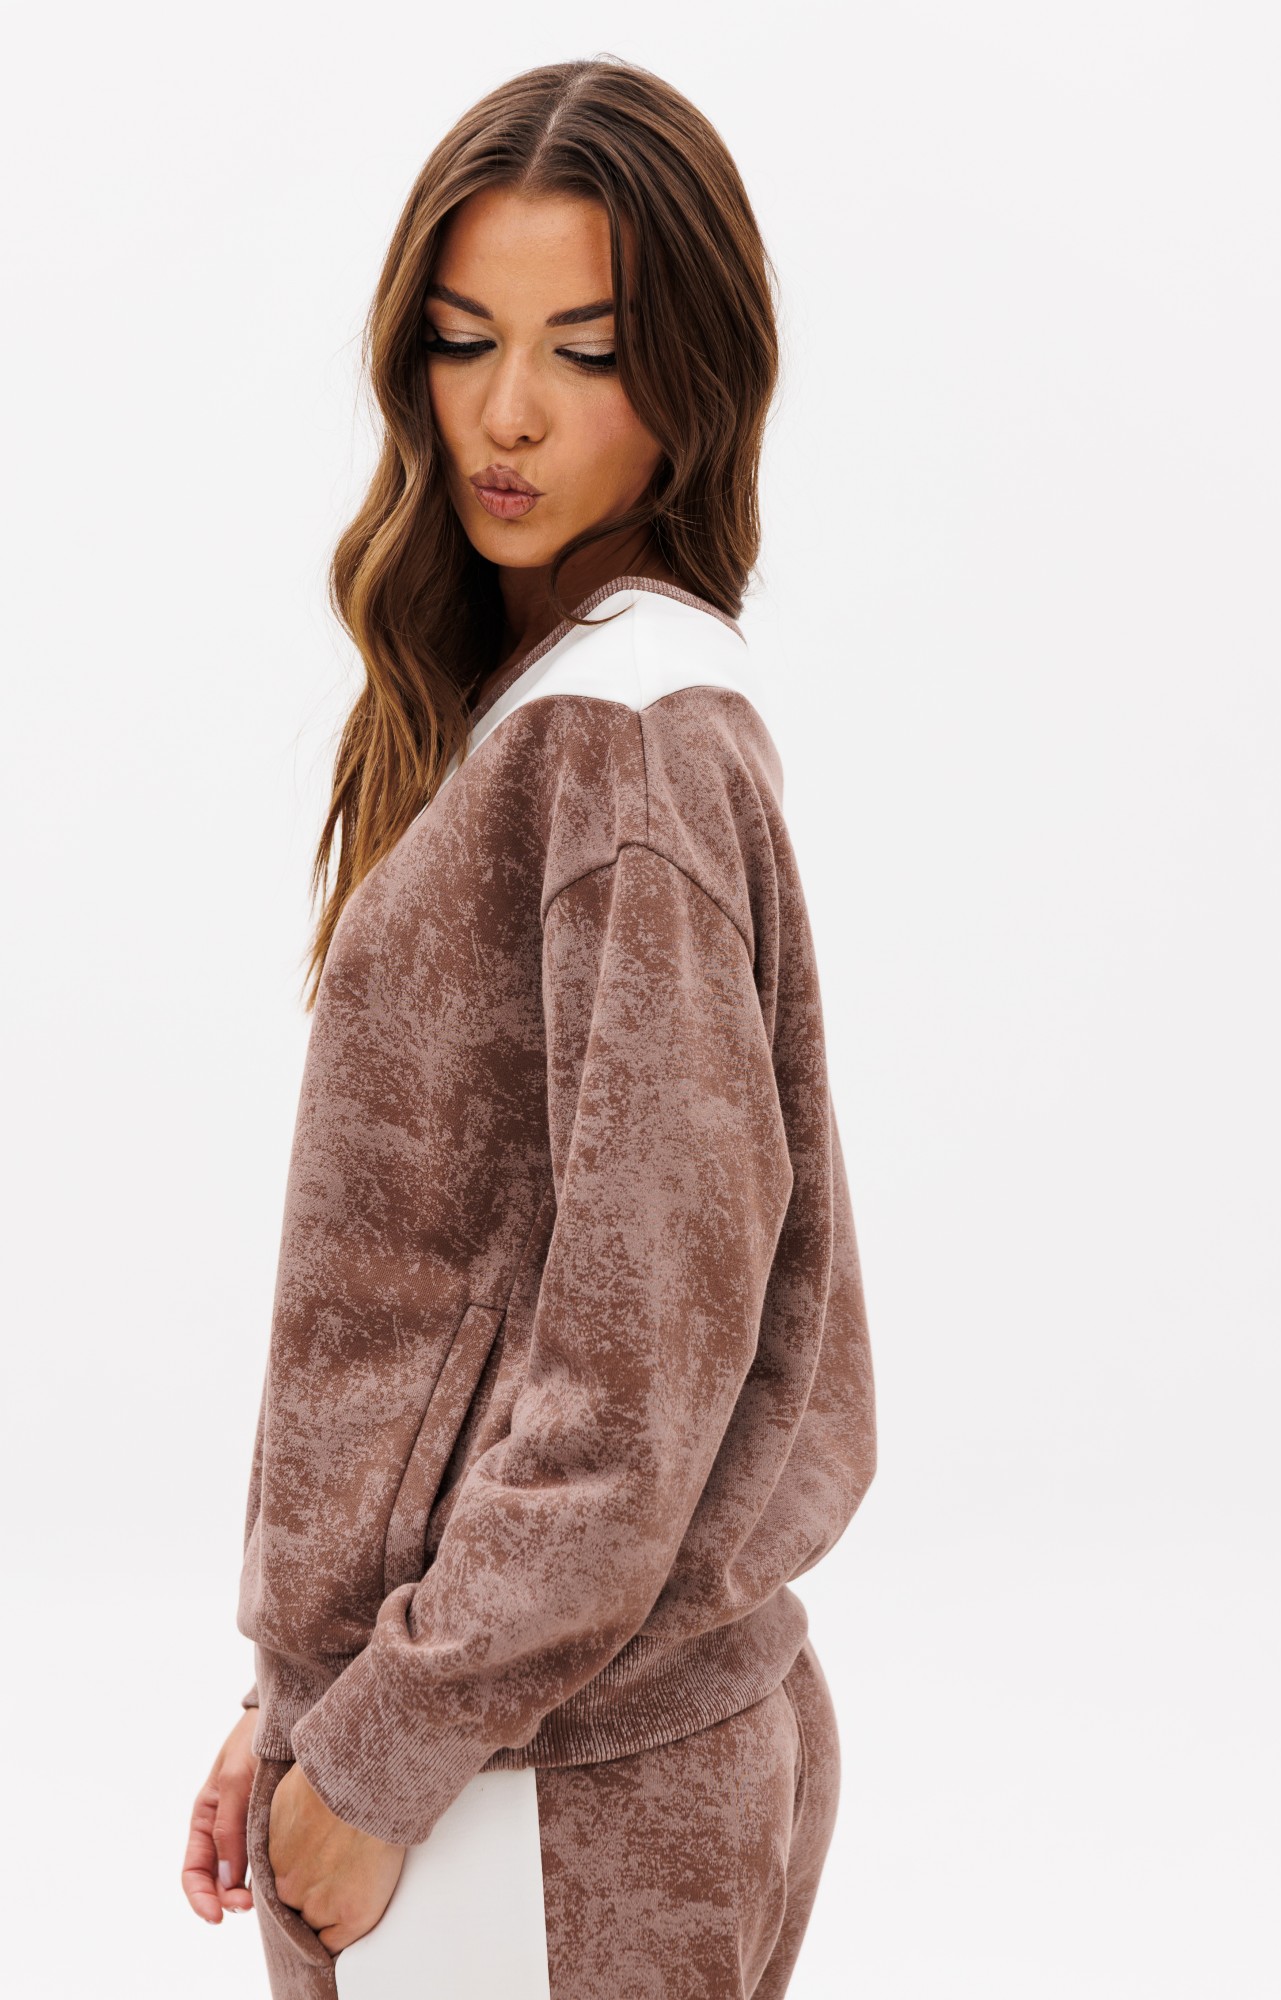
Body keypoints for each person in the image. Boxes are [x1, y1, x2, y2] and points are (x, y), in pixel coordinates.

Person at [181, 53, 877, 2000]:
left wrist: (379, 1744)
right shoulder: (540, 714)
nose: (504, 411)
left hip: (539, 1785)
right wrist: (296, 1696)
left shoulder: (621, 747)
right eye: (463, 338)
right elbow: (452, 1300)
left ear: (692, 382)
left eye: (584, 351)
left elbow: (635, 1366)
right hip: (479, 1759)